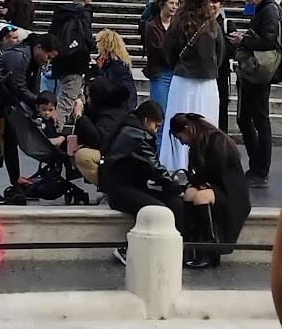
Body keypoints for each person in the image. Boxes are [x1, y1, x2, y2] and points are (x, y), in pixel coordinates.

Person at [0, 34, 60, 191]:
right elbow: (20, 88)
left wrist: (39, 109)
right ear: (39, 48)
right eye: (48, 56)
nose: (48, 61)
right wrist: (40, 103)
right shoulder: (19, 57)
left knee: (11, 139)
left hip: (3, 101)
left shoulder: (35, 61)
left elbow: (33, 90)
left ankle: (15, 182)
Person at [102, 100, 184, 265]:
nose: (156, 130)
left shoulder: (132, 130)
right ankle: (127, 250)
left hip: (125, 186)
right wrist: (176, 186)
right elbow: (153, 167)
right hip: (122, 191)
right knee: (158, 211)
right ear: (146, 120)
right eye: (156, 125)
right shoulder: (136, 137)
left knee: (170, 202)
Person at [170, 113, 251, 269]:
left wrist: (195, 182)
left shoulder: (217, 140)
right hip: (215, 186)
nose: (182, 143)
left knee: (200, 197)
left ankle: (210, 251)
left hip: (232, 191)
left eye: (180, 138)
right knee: (190, 194)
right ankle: (191, 247)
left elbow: (215, 169)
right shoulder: (196, 146)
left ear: (187, 130)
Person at [159, 0, 224, 172]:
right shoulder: (213, 25)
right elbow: (220, 55)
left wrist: (179, 65)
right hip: (207, 83)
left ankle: (176, 164)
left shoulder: (178, 23)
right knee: (207, 124)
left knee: (180, 122)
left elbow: (168, 51)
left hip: (182, 81)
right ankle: (205, 163)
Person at [234, 0, 280, 187]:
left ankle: (261, 169)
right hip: (256, 71)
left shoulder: (269, 10)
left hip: (261, 72)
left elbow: (268, 41)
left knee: (259, 118)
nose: (247, 3)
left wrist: (243, 40)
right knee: (247, 118)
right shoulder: (265, 9)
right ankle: (257, 166)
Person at [50, 0, 95, 130]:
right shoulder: (84, 12)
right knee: (66, 101)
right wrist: (92, 46)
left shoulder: (61, 11)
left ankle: (80, 130)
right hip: (77, 61)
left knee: (77, 95)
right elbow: (87, 37)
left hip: (60, 60)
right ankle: (54, 132)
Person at [73, 77, 127, 185]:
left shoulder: (111, 114)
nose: (88, 100)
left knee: (83, 156)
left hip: (118, 157)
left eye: (89, 96)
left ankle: (111, 188)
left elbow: (99, 139)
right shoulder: (107, 110)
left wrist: (79, 116)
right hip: (115, 155)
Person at [144, 0, 180, 150]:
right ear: (162, 4)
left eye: (177, 4)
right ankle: (156, 158)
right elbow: (158, 52)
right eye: (171, 3)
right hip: (161, 73)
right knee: (159, 117)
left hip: (177, 73)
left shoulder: (178, 24)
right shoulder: (152, 26)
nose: (174, 7)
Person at [208, 0, 237, 133]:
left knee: (221, 109)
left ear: (221, 4)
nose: (212, 5)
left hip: (221, 74)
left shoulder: (227, 25)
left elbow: (233, 49)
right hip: (205, 74)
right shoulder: (201, 23)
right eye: (209, 1)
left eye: (215, 2)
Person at [94, 28, 137, 111]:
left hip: (121, 105)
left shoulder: (116, 66)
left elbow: (106, 84)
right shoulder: (121, 63)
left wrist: (97, 70)